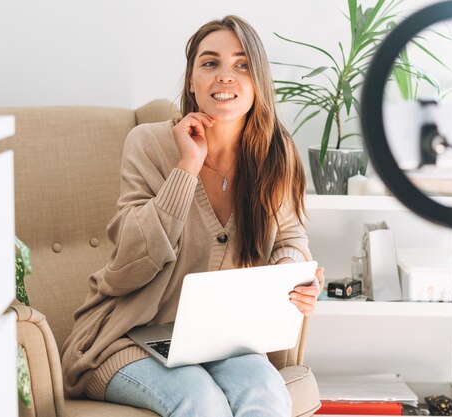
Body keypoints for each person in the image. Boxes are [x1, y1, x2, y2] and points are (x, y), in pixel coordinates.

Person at [61, 15, 325, 417]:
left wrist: (291, 274)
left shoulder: (277, 154)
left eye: (242, 65)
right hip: (124, 339)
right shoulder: (148, 143)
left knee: (268, 393)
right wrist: (186, 167)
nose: (225, 77)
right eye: (210, 63)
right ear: (191, 81)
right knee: (199, 400)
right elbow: (130, 263)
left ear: (259, 82)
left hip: (220, 342)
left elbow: (290, 240)